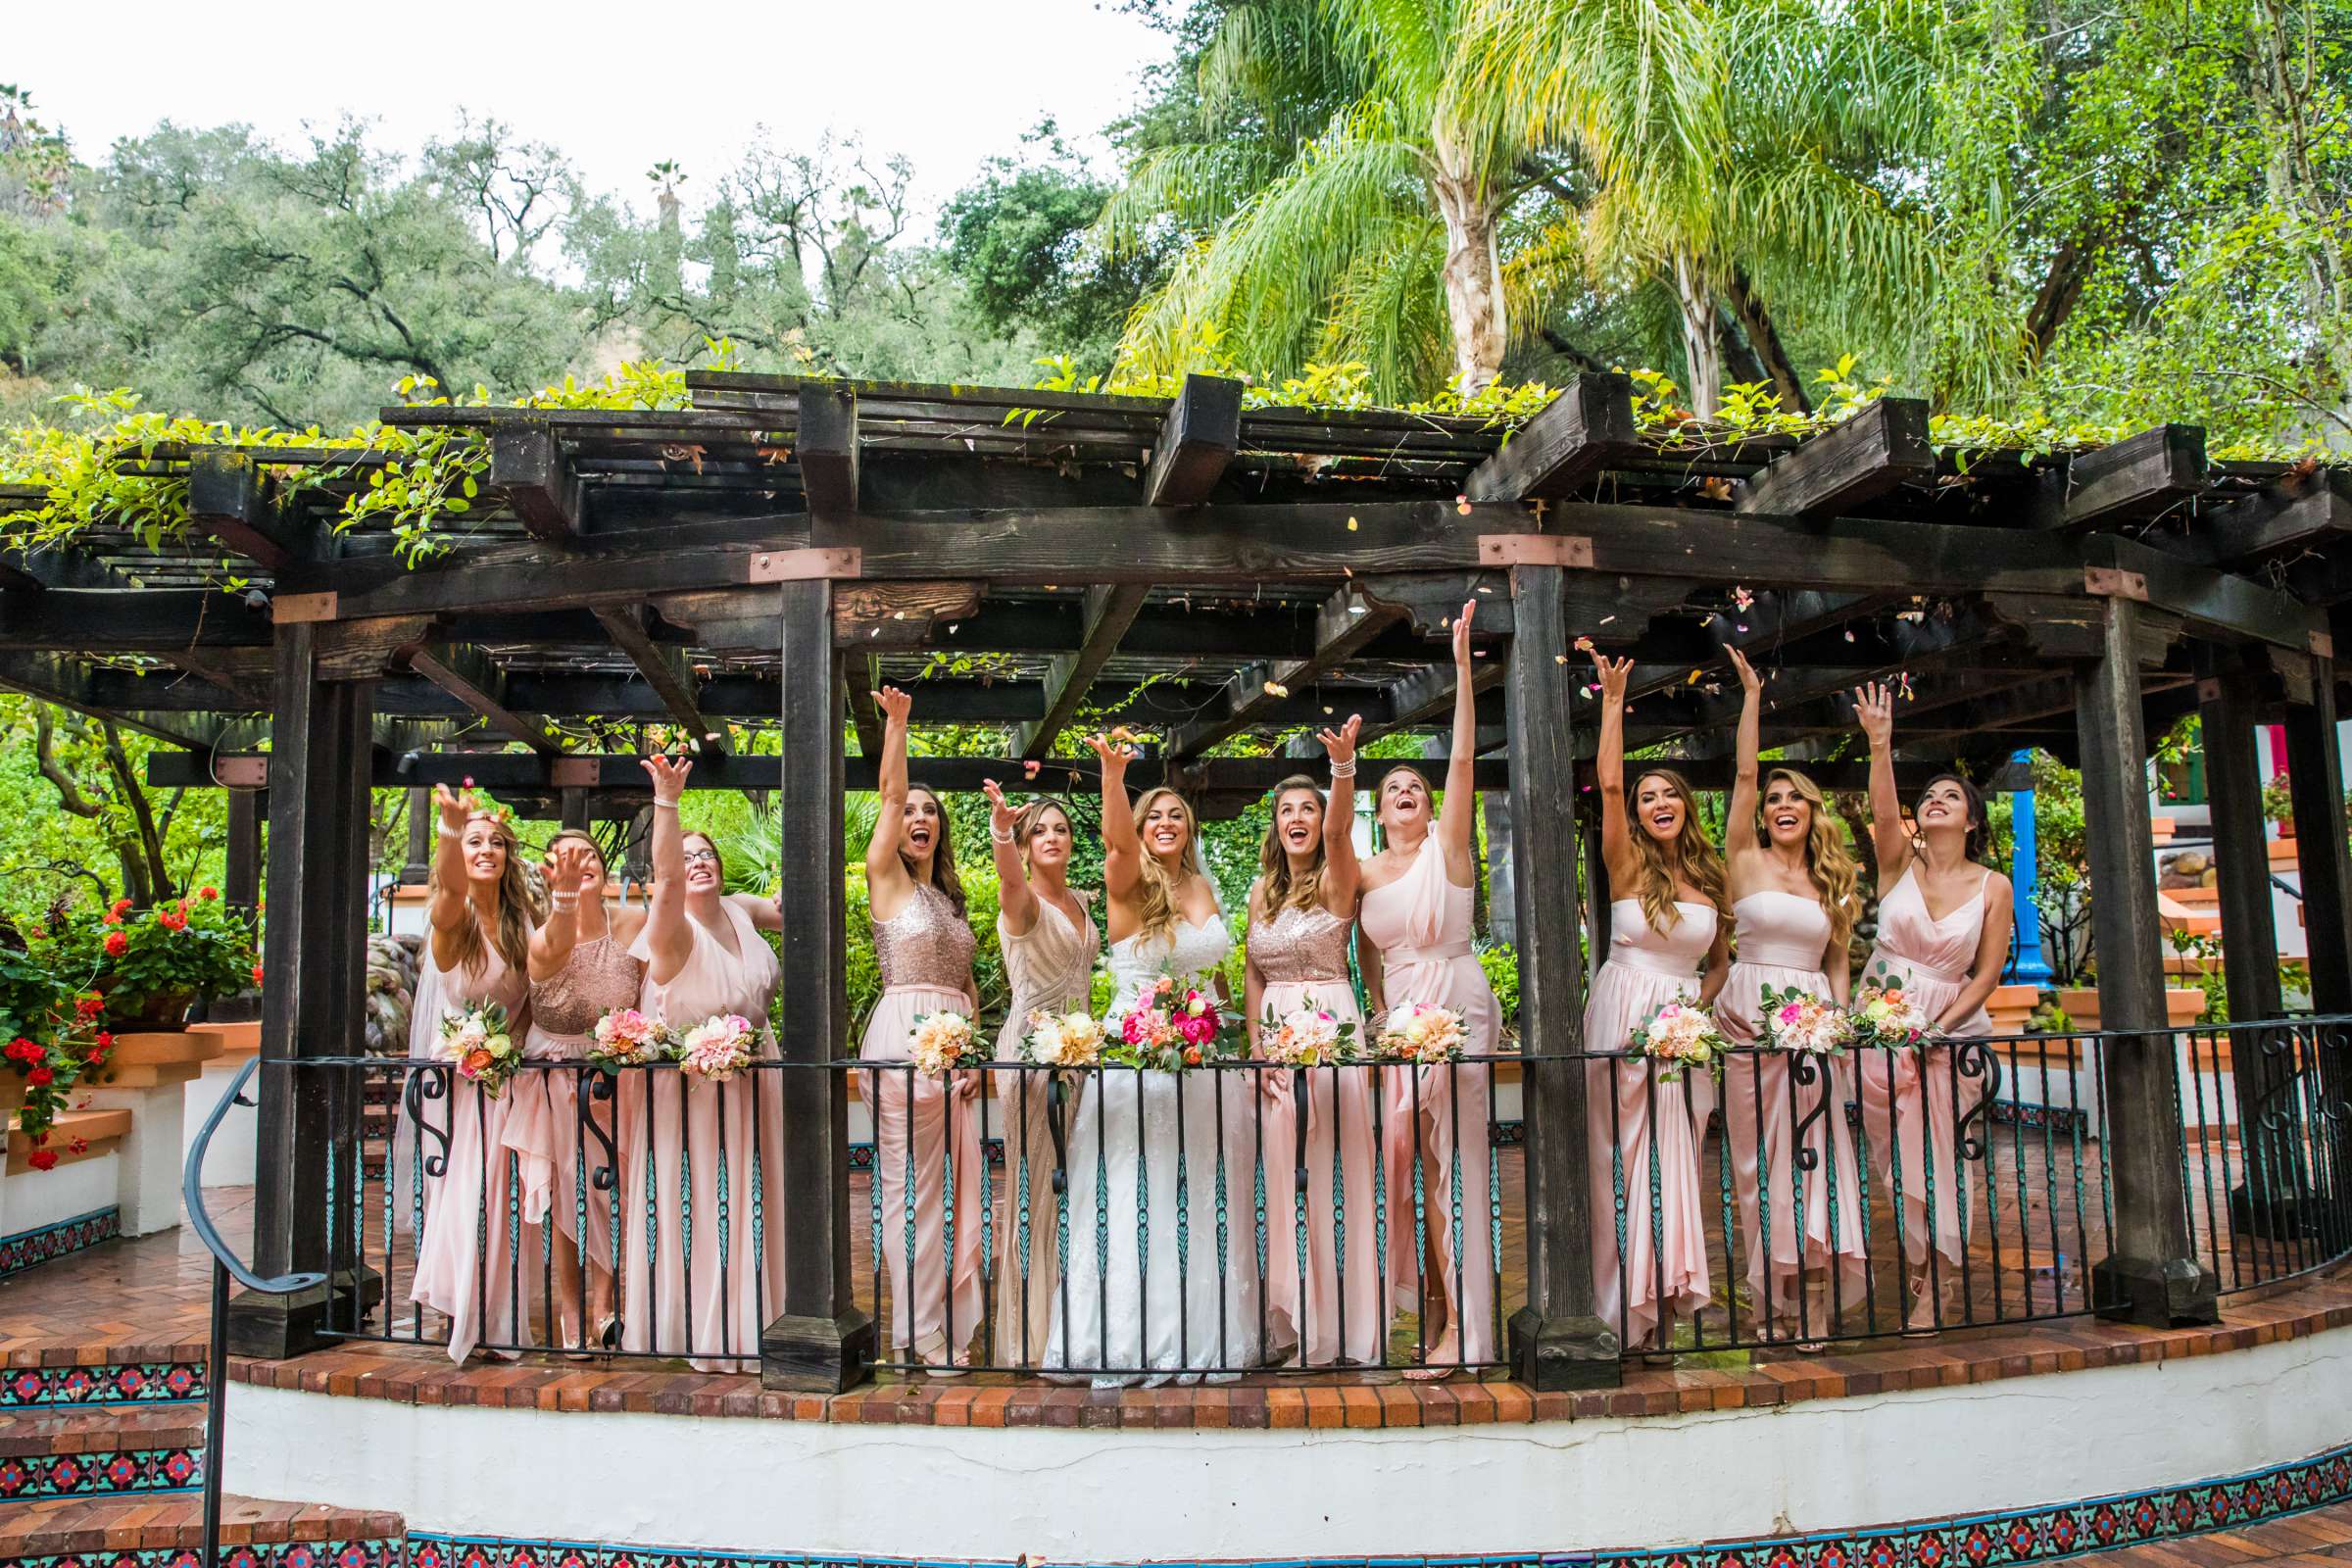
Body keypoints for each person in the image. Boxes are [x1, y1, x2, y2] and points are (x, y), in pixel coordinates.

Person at [1045, 739, 1259, 1385]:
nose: (1166, 824)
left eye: (1176, 816)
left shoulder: (1200, 884)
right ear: (1140, 830)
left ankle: (1197, 1331)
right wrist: (1115, 776)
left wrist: (1231, 1043)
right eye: (1154, 817)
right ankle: (1120, 1333)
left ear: (1189, 829)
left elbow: (1216, 974)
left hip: (1200, 1056)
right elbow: (1113, 844)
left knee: (1197, 1191)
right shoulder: (1129, 880)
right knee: (1132, 1186)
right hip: (1134, 1048)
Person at [1705, 647, 1869, 1347]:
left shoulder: (1834, 880)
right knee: (1753, 1161)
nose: (1778, 806)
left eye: (1791, 797)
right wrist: (1750, 697)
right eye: (1772, 800)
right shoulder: (1743, 861)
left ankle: (1818, 1288)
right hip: (1748, 1019)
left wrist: (1837, 1016)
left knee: (1815, 1153)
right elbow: (1743, 773)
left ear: (1812, 810)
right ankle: (1769, 1291)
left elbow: (1838, 964)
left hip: (1811, 1028)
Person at [1360, 602, 1501, 1379]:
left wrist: (1459, 673)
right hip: (1401, 1018)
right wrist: (1381, 1014)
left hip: (1459, 998)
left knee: (1461, 1165)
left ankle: (1466, 1328)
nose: (1409, 791)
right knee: (1406, 1165)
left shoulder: (1448, 849)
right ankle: (1432, 1308)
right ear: (1378, 813)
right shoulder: (1365, 876)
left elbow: (1463, 766)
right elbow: (1366, 957)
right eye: (1395, 789)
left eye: (1417, 784)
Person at [1853, 682, 2014, 1332]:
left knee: (1947, 1154)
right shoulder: (1898, 865)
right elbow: (1883, 812)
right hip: (1882, 1020)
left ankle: (1941, 1281)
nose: (1935, 801)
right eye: (1930, 797)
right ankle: (1917, 1262)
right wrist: (1880, 741)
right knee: (1894, 1156)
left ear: (1972, 820)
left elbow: (1987, 974)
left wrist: (1934, 1031)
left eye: (1951, 796)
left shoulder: (1993, 886)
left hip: (1951, 1027)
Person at [619, 754, 788, 1372]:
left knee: (753, 1196)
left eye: (706, 853)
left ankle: (758, 1314)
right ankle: (705, 1324)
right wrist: (667, 798)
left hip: (755, 1081)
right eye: (687, 856)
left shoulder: (742, 912)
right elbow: (665, 882)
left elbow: (789, 903)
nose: (698, 863)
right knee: (703, 1198)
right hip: (696, 1093)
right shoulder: (671, 931)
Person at [1582, 650, 1727, 1356]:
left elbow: (1721, 963)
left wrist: (1691, 1014)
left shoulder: (1710, 875)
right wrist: (1614, 701)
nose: (1657, 804)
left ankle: (1664, 1304)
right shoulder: (1625, 860)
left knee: (1675, 1160)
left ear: (1685, 807)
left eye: (1668, 794)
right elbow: (1608, 783)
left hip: (1683, 1031)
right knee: (1619, 1156)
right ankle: (1619, 1309)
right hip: (1621, 1011)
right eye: (1648, 798)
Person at [1243, 715, 1380, 1366]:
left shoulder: (1336, 878)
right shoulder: (1259, 895)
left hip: (1330, 1023)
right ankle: (1290, 1321)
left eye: (1309, 808)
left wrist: (1343, 770)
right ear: (1275, 826)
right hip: (1274, 1039)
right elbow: (1249, 973)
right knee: (1279, 1177)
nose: (1297, 817)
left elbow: (1338, 830)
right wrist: (1256, 1047)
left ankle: (1340, 1327)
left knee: (1331, 1173)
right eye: (1286, 810)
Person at [858, 687, 984, 1371]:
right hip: (904, 1040)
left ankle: (939, 1326)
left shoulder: (949, 899)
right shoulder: (889, 880)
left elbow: (965, 987)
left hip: (953, 1050)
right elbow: (886, 796)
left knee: (956, 1189)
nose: (918, 817)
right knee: (911, 1191)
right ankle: (916, 1332)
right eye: (910, 810)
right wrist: (899, 726)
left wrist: (971, 1050)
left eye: (930, 811)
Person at [406, 785, 537, 1361]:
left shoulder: (520, 921)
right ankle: (460, 1302)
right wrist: (450, 830)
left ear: (509, 856)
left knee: (503, 1194)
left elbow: (535, 996)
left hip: (513, 1077)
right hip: (462, 1081)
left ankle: (496, 1309)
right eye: (474, 842)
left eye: (494, 843)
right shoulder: (452, 920)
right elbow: (450, 888)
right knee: (470, 1188)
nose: (486, 850)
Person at [502, 832, 645, 1352]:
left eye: (588, 855)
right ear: (547, 872)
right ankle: (569, 1310)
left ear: (605, 872)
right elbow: (556, 948)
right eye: (563, 857)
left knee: (612, 1190)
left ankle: (605, 1307)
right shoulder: (540, 936)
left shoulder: (632, 928)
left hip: (616, 1079)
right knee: (565, 1197)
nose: (577, 862)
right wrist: (563, 899)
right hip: (553, 1082)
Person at [980, 780, 1100, 1368]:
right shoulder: (1022, 899)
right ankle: (1030, 1335)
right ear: (1026, 846)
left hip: (1080, 1058)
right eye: (1040, 831)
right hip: (1031, 1060)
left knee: (1073, 1190)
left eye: (1061, 829)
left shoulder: (1082, 898)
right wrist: (1002, 829)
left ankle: (1073, 1324)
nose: (1052, 836)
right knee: (1036, 1191)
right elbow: (1006, 881)